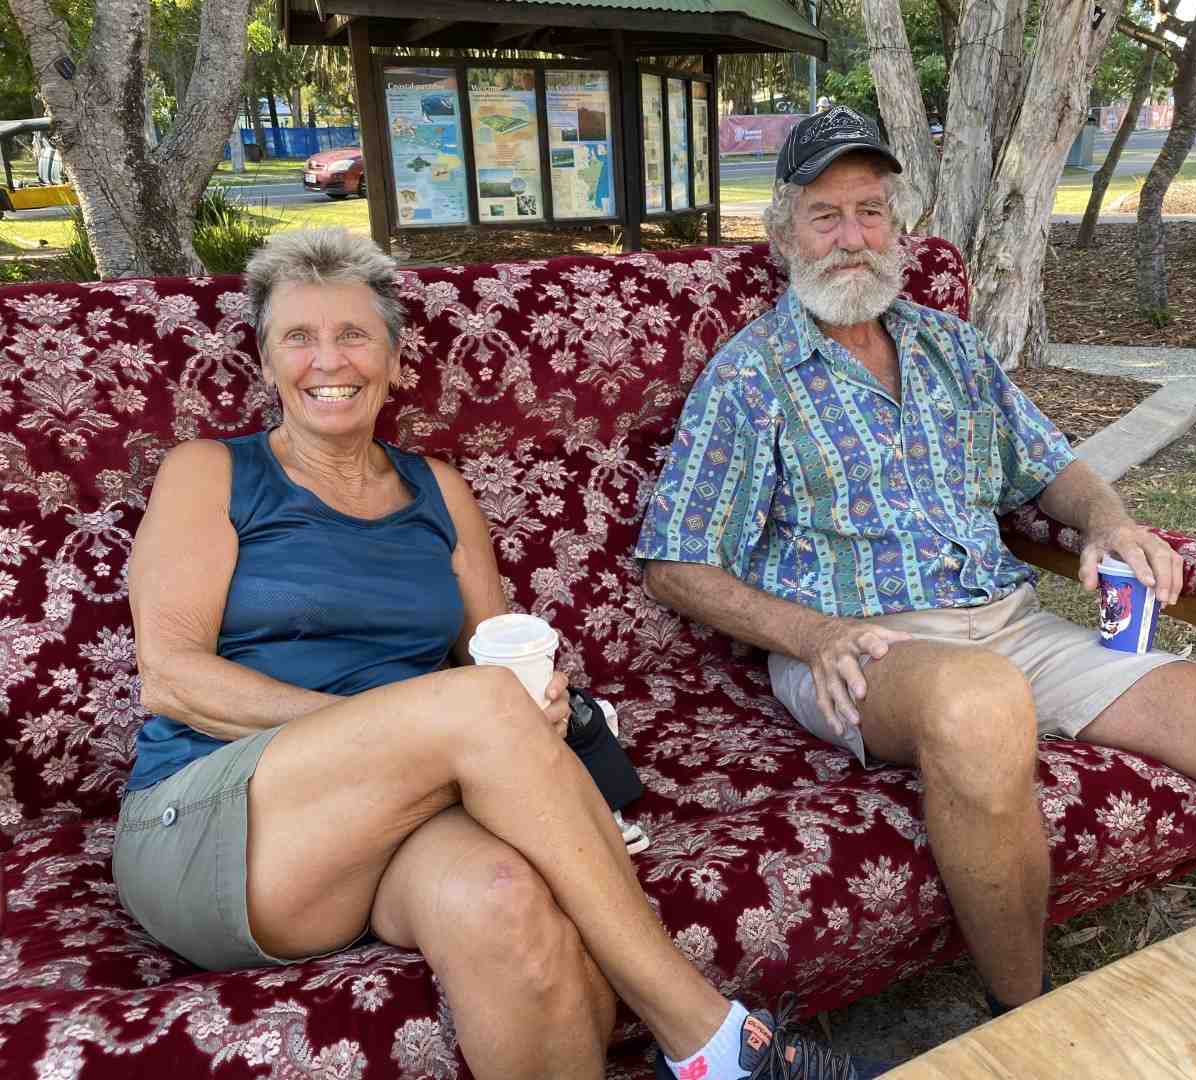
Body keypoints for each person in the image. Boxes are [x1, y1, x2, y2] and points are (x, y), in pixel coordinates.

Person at [636, 107, 1196, 1017]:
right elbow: (675, 563)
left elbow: (1053, 468)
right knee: (981, 702)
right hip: (865, 648)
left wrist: (1106, 522)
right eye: (826, 216)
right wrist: (812, 635)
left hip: (1013, 627)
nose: (852, 238)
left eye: (870, 212)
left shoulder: (951, 346)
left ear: (897, 227)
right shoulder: (752, 376)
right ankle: (1028, 1018)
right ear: (784, 235)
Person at [112, 228, 886, 1080]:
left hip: (385, 830)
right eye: (298, 337)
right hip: (216, 827)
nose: (327, 359)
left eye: (354, 334)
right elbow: (172, 678)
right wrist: (410, 733)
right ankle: (712, 1040)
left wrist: (532, 704)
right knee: (475, 710)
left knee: (504, 902)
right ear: (266, 364)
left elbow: (497, 660)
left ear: (395, 362)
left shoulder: (437, 491)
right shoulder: (212, 472)